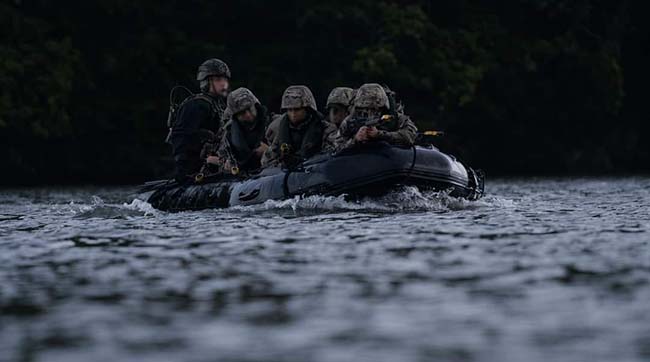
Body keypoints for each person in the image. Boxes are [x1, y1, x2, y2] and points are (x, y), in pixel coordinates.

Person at [168, 58, 230, 182]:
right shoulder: (197, 105)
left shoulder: (220, 106)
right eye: (218, 80)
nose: (223, 84)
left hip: (219, 161)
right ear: (207, 82)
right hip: (196, 168)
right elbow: (181, 137)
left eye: (225, 79)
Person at [261, 85, 336, 169]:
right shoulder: (281, 132)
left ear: (307, 109)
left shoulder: (325, 129)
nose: (293, 114)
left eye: (297, 109)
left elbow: (331, 155)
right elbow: (267, 161)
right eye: (289, 110)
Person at [203, 88, 270, 176]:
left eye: (249, 109)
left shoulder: (272, 125)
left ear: (256, 106)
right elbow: (222, 160)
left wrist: (269, 151)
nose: (248, 115)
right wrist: (222, 163)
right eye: (242, 113)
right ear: (235, 117)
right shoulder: (229, 136)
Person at [334, 83, 417, 152]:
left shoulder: (397, 118)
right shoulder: (350, 121)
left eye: (374, 110)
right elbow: (335, 149)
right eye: (364, 109)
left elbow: (410, 136)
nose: (369, 113)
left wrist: (380, 135)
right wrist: (355, 140)